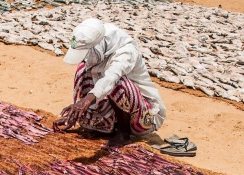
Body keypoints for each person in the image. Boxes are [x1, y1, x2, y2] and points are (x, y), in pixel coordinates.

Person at [53, 18, 166, 146]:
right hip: (118, 108)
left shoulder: (125, 52)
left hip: (144, 115)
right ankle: (101, 125)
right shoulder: (98, 37)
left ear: (97, 47)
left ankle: (124, 133)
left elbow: (109, 79)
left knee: (117, 83)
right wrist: (81, 112)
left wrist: (84, 101)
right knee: (83, 70)